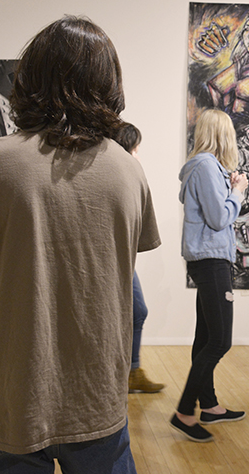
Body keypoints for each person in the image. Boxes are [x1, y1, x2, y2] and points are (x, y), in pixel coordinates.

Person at [0, 16, 160, 473]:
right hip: (95, 401)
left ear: (27, 80)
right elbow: (119, 260)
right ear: (109, 84)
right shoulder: (127, 171)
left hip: (4, 397)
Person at [172, 108, 249, 442]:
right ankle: (185, 411)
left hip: (208, 259)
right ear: (223, 135)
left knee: (205, 337)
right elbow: (219, 219)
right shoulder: (205, 166)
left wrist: (228, 185)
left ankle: (210, 405)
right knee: (220, 340)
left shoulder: (207, 168)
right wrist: (239, 192)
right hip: (211, 260)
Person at [113, 123, 166, 394]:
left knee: (138, 311)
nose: (138, 155)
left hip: (123, 259)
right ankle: (124, 373)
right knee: (127, 313)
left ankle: (132, 371)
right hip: (111, 259)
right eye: (135, 149)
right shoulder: (116, 175)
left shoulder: (129, 176)